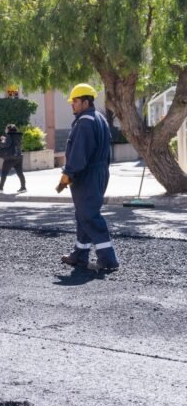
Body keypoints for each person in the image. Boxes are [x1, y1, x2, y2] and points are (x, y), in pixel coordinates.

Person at [57, 83, 119, 272]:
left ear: (86, 101)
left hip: (87, 175)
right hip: (98, 173)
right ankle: (79, 255)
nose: (72, 105)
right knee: (83, 214)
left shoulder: (84, 122)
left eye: (75, 101)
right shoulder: (98, 118)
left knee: (89, 215)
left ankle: (108, 261)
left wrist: (67, 175)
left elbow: (78, 154)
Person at [0, 124, 26, 193]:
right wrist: (6, 139)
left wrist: (2, 141)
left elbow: (6, 144)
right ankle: (23, 187)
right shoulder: (18, 135)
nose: (5, 130)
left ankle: (0, 187)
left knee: (4, 172)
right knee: (20, 173)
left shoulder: (9, 135)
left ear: (8, 129)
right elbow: (12, 143)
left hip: (10, 157)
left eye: (6, 128)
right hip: (18, 156)